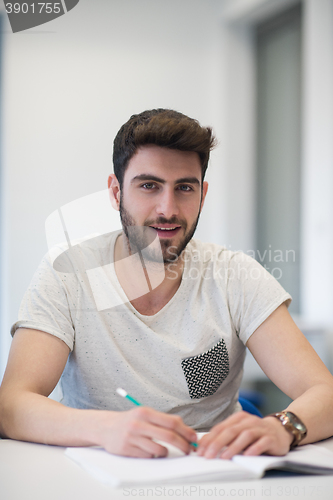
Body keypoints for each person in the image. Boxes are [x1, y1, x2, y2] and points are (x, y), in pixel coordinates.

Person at [1, 109, 333, 460]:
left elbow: (323, 391)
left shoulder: (236, 275)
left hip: (216, 472)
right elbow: (11, 405)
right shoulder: (67, 272)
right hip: (99, 470)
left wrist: (284, 426)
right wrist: (102, 428)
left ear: (202, 195)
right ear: (116, 193)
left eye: (184, 188)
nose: (168, 209)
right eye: (149, 185)